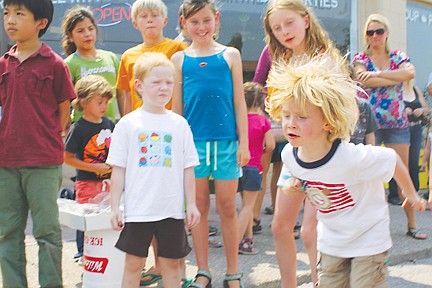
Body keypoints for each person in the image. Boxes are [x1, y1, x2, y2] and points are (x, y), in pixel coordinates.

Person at [267, 55, 427, 288]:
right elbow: (306, 176)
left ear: (328, 122)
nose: (291, 123)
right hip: (332, 241)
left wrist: (411, 194)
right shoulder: (290, 156)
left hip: (368, 239)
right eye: (287, 115)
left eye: (302, 117)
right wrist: (297, 184)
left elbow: (391, 159)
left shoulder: (350, 156)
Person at [262, 0, 346, 284]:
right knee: (279, 226)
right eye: (276, 28)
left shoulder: (327, 61)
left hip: (325, 155)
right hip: (295, 155)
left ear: (306, 20)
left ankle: (320, 281)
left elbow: (340, 116)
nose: (284, 31)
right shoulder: (281, 62)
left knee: (311, 231)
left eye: (289, 23)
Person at [171, 0, 250, 287]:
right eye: (194, 22)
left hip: (227, 143)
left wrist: (244, 143)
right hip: (194, 146)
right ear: (183, 23)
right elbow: (177, 109)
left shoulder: (231, 55)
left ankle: (233, 271)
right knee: (199, 206)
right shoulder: (179, 60)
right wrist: (177, 146)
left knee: (228, 207)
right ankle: (203, 270)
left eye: (206, 20)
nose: (201, 27)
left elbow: (240, 102)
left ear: (216, 19)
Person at [0, 0, 76, 286]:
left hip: (43, 162)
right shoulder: (3, 64)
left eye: (20, 13)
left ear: (41, 22)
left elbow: (63, 113)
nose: (11, 20)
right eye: (7, 13)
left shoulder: (55, 64)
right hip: (5, 161)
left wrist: (44, 141)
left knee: (47, 233)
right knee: (8, 232)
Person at [108, 52, 201, 287]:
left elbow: (188, 168)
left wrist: (191, 204)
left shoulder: (180, 124)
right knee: (133, 264)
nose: (164, 88)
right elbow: (118, 169)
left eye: (169, 82)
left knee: (171, 265)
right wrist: (114, 207)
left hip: (171, 210)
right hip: (138, 209)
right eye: (156, 82)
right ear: (139, 85)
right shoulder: (127, 124)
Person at [352, 13, 427, 240]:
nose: (374, 36)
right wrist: (394, 77)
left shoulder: (398, 55)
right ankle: (366, 228)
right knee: (367, 175)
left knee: (402, 174)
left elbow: (410, 73)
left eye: (379, 31)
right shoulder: (360, 57)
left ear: (386, 34)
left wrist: (376, 75)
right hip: (368, 124)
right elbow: (362, 80)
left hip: (396, 122)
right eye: (370, 32)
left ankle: (412, 224)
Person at [63, 75, 115, 259]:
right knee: (87, 219)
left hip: (108, 182)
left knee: (105, 220)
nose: (104, 106)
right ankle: (82, 253)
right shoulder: (79, 128)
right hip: (86, 182)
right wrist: (94, 168)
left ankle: (103, 252)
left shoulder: (109, 123)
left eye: (106, 102)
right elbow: (67, 158)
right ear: (84, 102)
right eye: (99, 102)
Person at [116, 0, 187, 116]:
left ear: (165, 21)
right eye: (143, 16)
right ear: (135, 24)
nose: (149, 20)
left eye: (155, 15)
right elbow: (127, 95)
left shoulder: (178, 49)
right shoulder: (128, 56)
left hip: (169, 120)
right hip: (141, 124)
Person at [62, 6, 120, 123]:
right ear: (70, 35)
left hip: (109, 128)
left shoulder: (111, 58)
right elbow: (64, 103)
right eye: (80, 31)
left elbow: (122, 94)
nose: (87, 34)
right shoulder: (69, 64)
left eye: (90, 28)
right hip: (83, 131)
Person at [237, 82, 275, 255]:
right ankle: (236, 241)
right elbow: (271, 145)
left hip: (237, 166)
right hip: (254, 167)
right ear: (261, 102)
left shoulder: (238, 120)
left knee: (243, 203)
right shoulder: (262, 121)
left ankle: (247, 240)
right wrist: (261, 150)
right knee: (248, 207)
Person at [388, 80, 430, 207]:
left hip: (415, 128)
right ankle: (395, 194)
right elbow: (388, 108)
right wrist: (402, 110)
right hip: (399, 128)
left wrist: (421, 111)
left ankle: (414, 193)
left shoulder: (415, 89)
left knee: (413, 161)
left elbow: (426, 109)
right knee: (398, 161)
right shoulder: (394, 89)